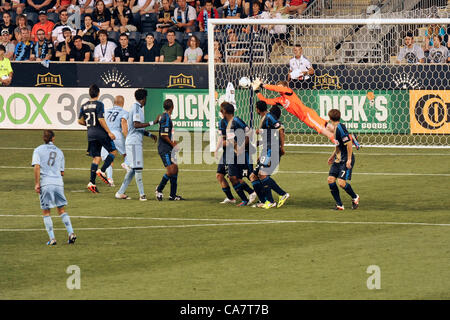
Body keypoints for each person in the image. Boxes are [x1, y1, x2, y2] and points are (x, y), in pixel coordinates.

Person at [253, 79, 348, 147]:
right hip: (305, 116)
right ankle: (348, 136)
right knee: (328, 126)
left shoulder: (288, 91)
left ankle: (337, 142)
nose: (278, 88)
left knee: (322, 129)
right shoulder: (280, 100)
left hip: (307, 114)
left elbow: (275, 89)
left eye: (280, 87)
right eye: (278, 87)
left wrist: (262, 85)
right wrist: (257, 91)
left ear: (285, 87)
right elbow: (265, 100)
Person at [32, 130, 77, 246]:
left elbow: (37, 167)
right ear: (53, 138)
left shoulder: (38, 150)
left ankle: (52, 238)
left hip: (46, 184)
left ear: (44, 138)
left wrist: (37, 183)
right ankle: (71, 233)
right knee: (61, 209)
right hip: (58, 183)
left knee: (46, 211)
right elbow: (62, 172)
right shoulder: (60, 152)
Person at [116, 89, 159, 201]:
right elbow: (136, 125)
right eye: (146, 98)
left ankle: (120, 192)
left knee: (133, 169)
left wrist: (149, 134)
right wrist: (153, 123)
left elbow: (138, 127)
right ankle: (142, 195)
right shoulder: (136, 108)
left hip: (134, 141)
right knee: (138, 168)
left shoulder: (138, 108)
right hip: (133, 143)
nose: (146, 100)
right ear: (143, 98)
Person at [78, 84, 117, 193]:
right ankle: (102, 171)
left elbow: (80, 121)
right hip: (100, 133)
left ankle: (91, 182)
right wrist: (109, 132)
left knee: (96, 157)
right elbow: (100, 119)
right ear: (98, 93)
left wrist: (89, 125)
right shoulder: (99, 104)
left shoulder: (84, 105)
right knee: (113, 151)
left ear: (90, 93)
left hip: (90, 134)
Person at [249, 101, 289, 209]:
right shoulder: (265, 118)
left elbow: (281, 130)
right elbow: (270, 135)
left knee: (263, 174)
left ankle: (280, 195)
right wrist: (260, 144)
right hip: (266, 150)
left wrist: (282, 147)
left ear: (257, 109)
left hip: (272, 150)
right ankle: (264, 201)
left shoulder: (269, 117)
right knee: (253, 176)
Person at [220, 102, 257, 207]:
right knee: (232, 177)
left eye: (221, 110)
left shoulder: (237, 121)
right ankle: (245, 199)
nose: (220, 112)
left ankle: (265, 198)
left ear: (225, 112)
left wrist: (241, 147)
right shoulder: (226, 123)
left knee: (251, 176)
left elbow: (249, 132)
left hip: (243, 153)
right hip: (232, 154)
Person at [327, 109, 360, 211]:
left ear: (329, 118)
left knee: (341, 183)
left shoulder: (340, 128)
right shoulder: (336, 128)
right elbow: (339, 145)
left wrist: (349, 159)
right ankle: (339, 205)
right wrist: (332, 156)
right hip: (338, 160)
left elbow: (349, 143)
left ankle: (355, 197)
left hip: (345, 159)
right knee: (330, 180)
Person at [155, 99, 185, 201]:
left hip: (169, 147)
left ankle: (173, 195)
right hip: (164, 148)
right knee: (171, 170)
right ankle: (159, 189)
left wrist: (174, 142)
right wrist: (173, 144)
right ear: (172, 107)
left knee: (175, 169)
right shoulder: (165, 117)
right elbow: (164, 135)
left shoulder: (165, 117)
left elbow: (168, 134)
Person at [100, 95, 129, 186]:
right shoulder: (125, 112)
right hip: (117, 135)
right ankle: (126, 163)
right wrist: (127, 137)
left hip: (107, 135)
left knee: (109, 158)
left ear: (114, 103)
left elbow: (102, 122)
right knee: (127, 153)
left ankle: (110, 179)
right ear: (123, 103)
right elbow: (123, 123)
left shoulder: (107, 111)